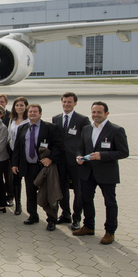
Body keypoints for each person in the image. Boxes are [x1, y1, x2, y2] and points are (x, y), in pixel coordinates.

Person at [74, 101, 129, 245]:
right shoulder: (86, 129)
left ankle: (110, 232)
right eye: (93, 112)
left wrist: (102, 156)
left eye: (99, 112)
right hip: (87, 172)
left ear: (107, 114)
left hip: (106, 173)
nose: (95, 115)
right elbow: (80, 148)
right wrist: (78, 156)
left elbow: (124, 152)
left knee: (110, 203)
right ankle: (88, 226)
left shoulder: (116, 130)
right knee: (86, 199)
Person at [12, 104, 64, 231]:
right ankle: (33, 215)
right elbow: (18, 148)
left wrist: (50, 158)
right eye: (30, 112)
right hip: (28, 167)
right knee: (30, 192)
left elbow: (59, 146)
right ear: (27, 113)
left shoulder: (51, 128)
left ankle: (51, 219)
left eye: (35, 112)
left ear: (40, 114)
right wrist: (15, 163)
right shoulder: (23, 128)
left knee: (48, 193)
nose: (32, 114)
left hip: (44, 167)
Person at [52, 92, 91, 231]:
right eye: (64, 102)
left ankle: (77, 218)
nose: (66, 104)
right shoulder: (56, 118)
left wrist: (84, 158)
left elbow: (87, 140)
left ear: (75, 103)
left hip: (76, 162)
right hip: (61, 161)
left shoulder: (82, 120)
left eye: (69, 102)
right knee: (62, 189)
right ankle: (65, 214)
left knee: (78, 191)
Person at [8, 97, 30, 215]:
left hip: (25, 154)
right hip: (13, 153)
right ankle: (18, 204)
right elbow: (9, 136)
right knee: (15, 180)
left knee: (28, 180)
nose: (19, 107)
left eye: (21, 105)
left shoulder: (29, 120)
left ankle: (30, 205)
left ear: (26, 107)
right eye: (17, 105)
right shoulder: (12, 120)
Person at [0, 94, 13, 207]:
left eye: (2, 102)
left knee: (8, 176)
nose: (0, 103)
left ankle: (10, 196)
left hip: (7, 151)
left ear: (6, 102)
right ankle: (1, 196)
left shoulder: (11, 115)